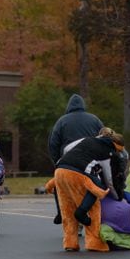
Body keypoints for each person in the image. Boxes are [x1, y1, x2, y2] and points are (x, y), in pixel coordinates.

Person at [48, 94, 104, 224]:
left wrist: (57, 162)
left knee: (60, 186)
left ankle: (61, 213)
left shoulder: (62, 121)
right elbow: (104, 138)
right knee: (94, 186)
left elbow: (53, 143)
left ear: (68, 107)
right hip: (90, 162)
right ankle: (90, 215)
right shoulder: (94, 120)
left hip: (68, 162)